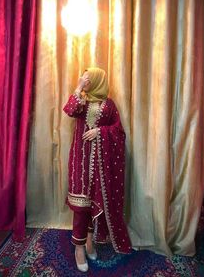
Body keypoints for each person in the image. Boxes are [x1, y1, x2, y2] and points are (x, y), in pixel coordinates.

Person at [63, 67, 132, 272]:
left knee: (94, 204)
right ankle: (78, 248)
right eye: (86, 79)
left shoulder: (109, 105)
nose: (88, 81)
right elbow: (69, 110)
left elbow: (119, 133)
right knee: (81, 206)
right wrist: (79, 87)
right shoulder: (81, 101)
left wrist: (100, 132)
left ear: (99, 81)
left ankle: (90, 241)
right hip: (80, 161)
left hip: (101, 167)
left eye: (90, 78)